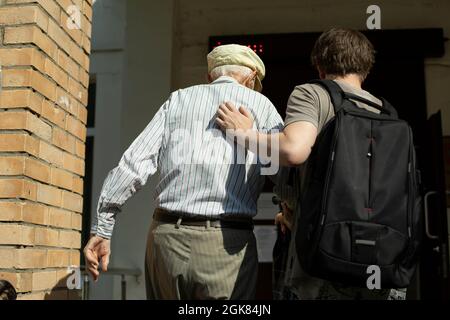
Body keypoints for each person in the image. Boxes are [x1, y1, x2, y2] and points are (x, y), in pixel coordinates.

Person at [216, 28, 406, 300]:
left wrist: (245, 133)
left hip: (325, 263)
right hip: (383, 262)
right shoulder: (386, 112)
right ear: (366, 68)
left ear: (319, 64)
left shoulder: (313, 94)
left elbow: (294, 151)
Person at [83, 44, 284, 299]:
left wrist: (102, 229)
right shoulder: (262, 106)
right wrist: (289, 210)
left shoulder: (178, 99)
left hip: (165, 241)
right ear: (251, 77)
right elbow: (284, 173)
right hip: (226, 244)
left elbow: (133, 164)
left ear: (209, 76)